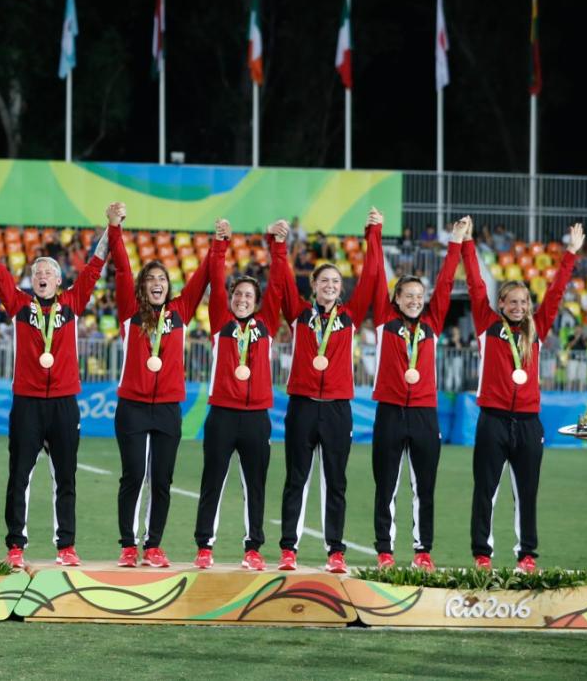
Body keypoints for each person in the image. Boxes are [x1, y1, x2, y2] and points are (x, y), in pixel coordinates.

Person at [0, 204, 116, 568]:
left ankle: (66, 546)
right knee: (19, 476)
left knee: (66, 478)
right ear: (32, 280)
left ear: (59, 281)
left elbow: (95, 265)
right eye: (37, 271)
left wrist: (111, 226)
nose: (43, 274)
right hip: (27, 401)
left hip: (63, 403)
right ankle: (16, 546)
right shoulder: (19, 305)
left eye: (49, 271)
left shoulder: (73, 303)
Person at [462, 218, 583, 573]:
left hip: (529, 422)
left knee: (526, 492)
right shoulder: (487, 326)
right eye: (512, 301)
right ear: (501, 303)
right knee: (486, 491)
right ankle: (482, 555)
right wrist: (468, 244)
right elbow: (474, 284)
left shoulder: (538, 328)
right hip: (493, 420)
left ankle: (526, 556)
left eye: (523, 301)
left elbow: (557, 292)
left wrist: (570, 255)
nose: (518, 306)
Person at [274, 210, 383, 573]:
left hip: (337, 408)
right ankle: (289, 549)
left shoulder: (349, 318)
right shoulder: (299, 315)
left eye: (336, 281)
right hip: (303, 405)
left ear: (341, 288)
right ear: (314, 286)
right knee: (296, 479)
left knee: (336, 481)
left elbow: (370, 275)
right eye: (325, 281)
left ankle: (335, 551)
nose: (331, 285)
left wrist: (374, 231)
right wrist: (278, 245)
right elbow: (282, 281)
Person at [108, 205, 215, 568]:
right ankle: (128, 544)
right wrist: (114, 228)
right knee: (134, 475)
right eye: (151, 279)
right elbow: (122, 267)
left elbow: (202, 278)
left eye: (162, 280)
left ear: (168, 287)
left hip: (169, 406)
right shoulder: (129, 313)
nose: (157, 284)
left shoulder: (181, 313)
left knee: (162, 480)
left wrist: (219, 243)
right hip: (133, 407)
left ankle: (153, 545)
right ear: (143, 287)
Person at [368, 216, 467, 572]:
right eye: (407, 295)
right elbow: (377, 272)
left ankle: (423, 550)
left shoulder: (433, 324)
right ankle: (385, 551)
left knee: (424, 486)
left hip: (425, 412)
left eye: (418, 296)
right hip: (391, 411)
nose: (414, 300)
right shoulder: (384, 321)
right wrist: (375, 233)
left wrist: (455, 242)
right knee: (387, 486)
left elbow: (444, 285)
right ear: (396, 298)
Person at [193, 218, 288, 571]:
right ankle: (205, 546)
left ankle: (253, 548)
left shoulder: (267, 326)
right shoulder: (221, 322)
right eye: (238, 295)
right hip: (222, 415)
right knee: (212, 482)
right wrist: (220, 242)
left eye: (249, 295)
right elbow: (216, 282)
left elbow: (277, 285)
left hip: (256, 417)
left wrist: (276, 244)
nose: (242, 299)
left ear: (257, 302)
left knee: (255, 486)